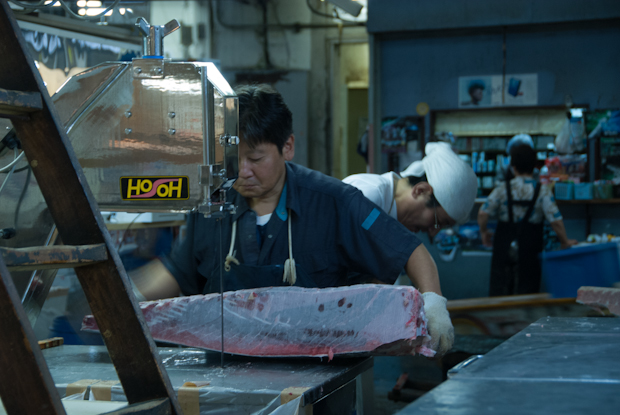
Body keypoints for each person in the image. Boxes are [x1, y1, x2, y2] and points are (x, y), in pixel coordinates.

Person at [131, 84, 454, 356]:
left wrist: (434, 304)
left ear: (287, 147)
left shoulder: (334, 202)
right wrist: (130, 296)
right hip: (226, 373)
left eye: (255, 158)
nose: (241, 171)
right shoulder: (213, 206)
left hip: (317, 378)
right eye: (232, 158)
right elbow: (179, 271)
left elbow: (410, 251)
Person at [477, 144, 578, 296]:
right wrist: (565, 241)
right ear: (534, 167)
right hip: (530, 246)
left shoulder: (502, 188)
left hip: (503, 244)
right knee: (527, 291)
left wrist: (484, 232)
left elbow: (483, 213)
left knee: (501, 291)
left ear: (513, 167)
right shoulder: (542, 190)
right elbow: (555, 220)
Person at [343, 142, 478, 240]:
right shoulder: (370, 195)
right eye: (437, 222)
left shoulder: (396, 222)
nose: (432, 232)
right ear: (421, 191)